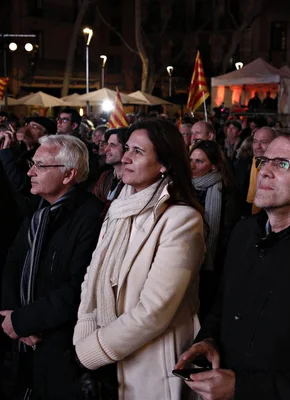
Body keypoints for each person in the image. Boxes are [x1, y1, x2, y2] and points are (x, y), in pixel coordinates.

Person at [176, 129, 290, 399]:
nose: (264, 171)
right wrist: (208, 340)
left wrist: (241, 387)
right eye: (264, 161)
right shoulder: (243, 234)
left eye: (283, 164)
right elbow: (222, 305)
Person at [73, 119, 205, 399]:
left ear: (164, 164)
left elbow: (154, 312)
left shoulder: (181, 220)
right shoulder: (119, 207)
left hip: (149, 361)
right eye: (127, 148)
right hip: (104, 354)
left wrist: (91, 350)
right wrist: (83, 334)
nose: (125, 157)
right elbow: (93, 276)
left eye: (138, 151)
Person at [1, 135, 103, 398]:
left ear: (69, 175)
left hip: (59, 345)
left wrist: (25, 321)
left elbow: (79, 285)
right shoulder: (40, 212)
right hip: (23, 342)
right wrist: (13, 317)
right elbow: (13, 262)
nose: (30, 172)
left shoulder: (90, 216)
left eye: (41, 166)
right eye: (32, 164)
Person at [189, 139, 240, 321]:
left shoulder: (225, 189)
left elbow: (228, 228)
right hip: (187, 256)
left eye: (199, 161)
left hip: (213, 260)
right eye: (191, 160)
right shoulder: (183, 187)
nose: (192, 166)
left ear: (213, 166)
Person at [91, 127, 130, 205]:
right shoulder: (105, 176)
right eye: (107, 144)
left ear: (126, 148)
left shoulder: (132, 181)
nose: (106, 149)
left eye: (112, 145)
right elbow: (92, 204)